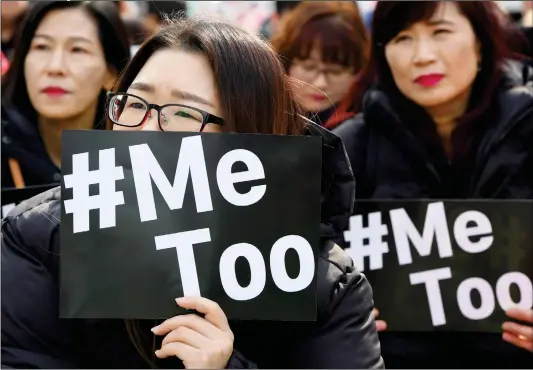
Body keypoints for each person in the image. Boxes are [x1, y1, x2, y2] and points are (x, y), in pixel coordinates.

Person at [1, 16, 384, 369]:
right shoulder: (37, 236)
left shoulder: (325, 285)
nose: (146, 132)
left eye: (184, 114)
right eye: (134, 104)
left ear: (248, 143)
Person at [331, 1, 533, 368]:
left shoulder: (527, 128)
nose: (422, 56)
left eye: (441, 32)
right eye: (402, 38)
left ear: (480, 41)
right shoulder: (346, 150)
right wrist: (338, 316)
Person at [1, 1, 130, 189]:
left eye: (78, 49)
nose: (55, 67)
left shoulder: (134, 160)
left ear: (111, 74)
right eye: (42, 46)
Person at [270, 1, 368, 127]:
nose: (320, 83)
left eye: (335, 71)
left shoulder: (368, 129)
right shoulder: (260, 114)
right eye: (309, 67)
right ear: (285, 63)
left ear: (356, 71)